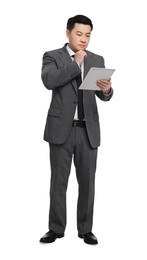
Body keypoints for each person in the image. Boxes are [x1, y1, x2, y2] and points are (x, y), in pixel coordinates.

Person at [40, 14, 113, 245]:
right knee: (58, 183)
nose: (84, 39)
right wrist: (76, 64)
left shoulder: (97, 59)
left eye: (88, 35)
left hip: (87, 131)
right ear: (68, 33)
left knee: (88, 184)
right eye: (79, 34)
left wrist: (107, 90)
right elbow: (49, 81)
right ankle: (55, 228)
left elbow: (103, 96)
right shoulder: (53, 56)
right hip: (61, 129)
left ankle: (85, 229)